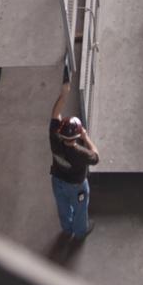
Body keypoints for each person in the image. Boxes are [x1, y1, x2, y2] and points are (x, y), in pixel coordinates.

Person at [49, 68, 100, 240]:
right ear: (77, 136)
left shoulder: (54, 138)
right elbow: (96, 156)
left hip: (57, 180)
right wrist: (86, 138)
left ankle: (67, 228)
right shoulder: (80, 153)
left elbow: (55, 114)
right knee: (80, 208)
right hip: (76, 186)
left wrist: (64, 95)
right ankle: (80, 231)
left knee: (62, 206)